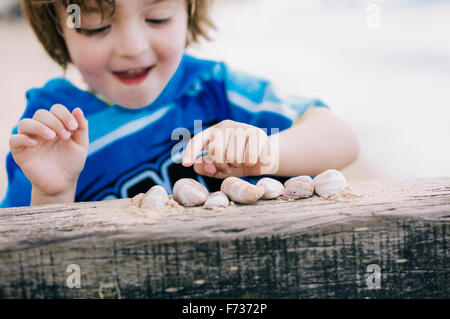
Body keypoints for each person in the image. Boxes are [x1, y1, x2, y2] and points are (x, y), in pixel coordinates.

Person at [0, 0, 359, 208]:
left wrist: (266, 151)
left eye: (157, 18)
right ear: (56, 28)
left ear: (188, 11)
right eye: (95, 25)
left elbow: (340, 137)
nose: (132, 47)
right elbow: (25, 257)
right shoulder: (53, 129)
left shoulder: (214, 87)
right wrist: (54, 192)